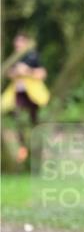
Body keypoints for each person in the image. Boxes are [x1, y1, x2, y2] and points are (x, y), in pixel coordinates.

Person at [1, 31, 50, 161]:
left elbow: (42, 73)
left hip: (32, 94)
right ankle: (22, 148)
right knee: (18, 118)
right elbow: (8, 72)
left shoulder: (32, 57)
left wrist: (27, 71)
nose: (16, 44)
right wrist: (15, 72)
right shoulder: (15, 58)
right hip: (18, 93)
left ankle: (39, 149)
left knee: (34, 120)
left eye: (19, 41)